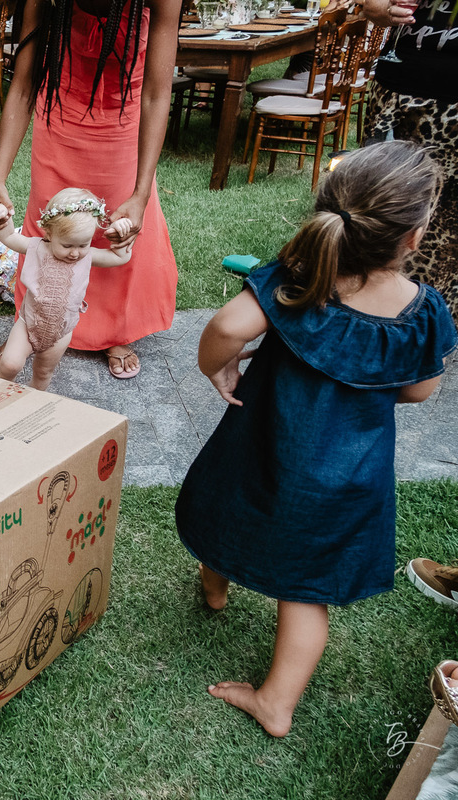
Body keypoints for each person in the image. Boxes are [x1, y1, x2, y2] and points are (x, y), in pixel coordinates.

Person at [174, 141, 457, 738]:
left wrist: (217, 368)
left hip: (262, 446)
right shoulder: (423, 312)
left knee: (230, 511)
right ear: (413, 238)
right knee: (305, 593)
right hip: (348, 477)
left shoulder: (297, 278)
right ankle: (276, 703)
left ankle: (214, 589)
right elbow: (420, 391)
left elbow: (227, 325)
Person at [0, 0, 180, 380]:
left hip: (125, 120)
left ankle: (115, 333)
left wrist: (141, 194)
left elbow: (157, 93)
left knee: (115, 229)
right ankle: (29, 326)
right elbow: (23, 86)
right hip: (59, 115)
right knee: (50, 227)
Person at [362, 0, 458, 326]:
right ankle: (369, 309)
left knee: (445, 224)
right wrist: (381, 8)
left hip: (451, 105)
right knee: (376, 206)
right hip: (394, 90)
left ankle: (433, 321)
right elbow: (372, 6)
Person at [0, 189, 134, 390]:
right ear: (49, 233)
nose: (75, 253)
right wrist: (2, 215)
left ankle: (33, 399)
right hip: (28, 325)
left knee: (43, 373)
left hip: (60, 333)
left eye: (83, 244)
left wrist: (122, 233)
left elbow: (119, 257)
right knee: (10, 364)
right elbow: (10, 236)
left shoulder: (88, 256)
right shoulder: (37, 247)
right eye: (67, 245)